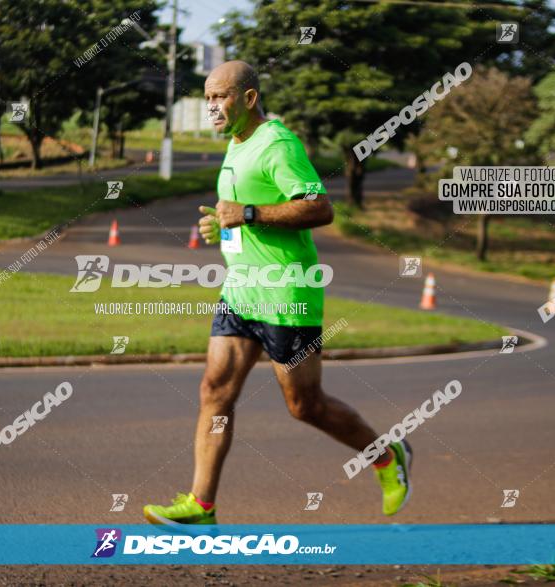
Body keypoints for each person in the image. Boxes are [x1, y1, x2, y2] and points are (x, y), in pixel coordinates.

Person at [143, 61, 412, 527]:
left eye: (220, 97)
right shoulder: (237, 141)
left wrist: (247, 213)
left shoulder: (278, 143)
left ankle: (387, 455)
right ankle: (200, 506)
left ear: (248, 98)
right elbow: (239, 212)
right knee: (214, 391)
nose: (211, 107)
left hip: (287, 293)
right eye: (206, 98)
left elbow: (319, 208)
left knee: (305, 406)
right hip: (241, 290)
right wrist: (223, 224)